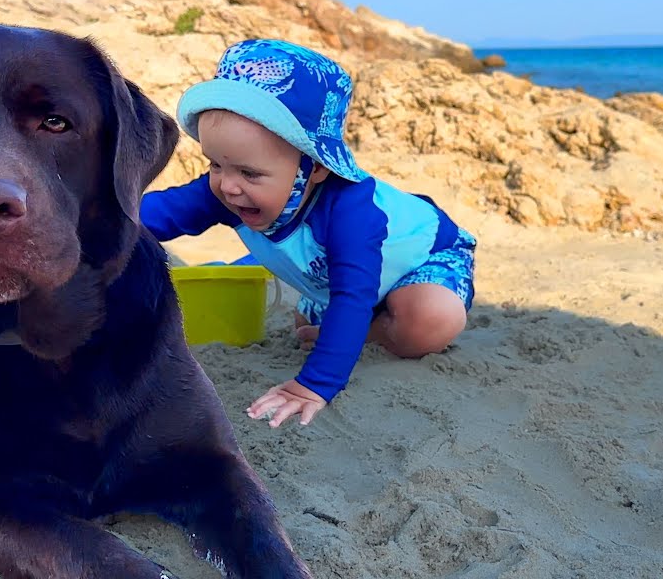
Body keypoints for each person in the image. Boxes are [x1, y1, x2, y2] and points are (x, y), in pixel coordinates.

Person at [140, 39, 477, 428]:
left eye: (249, 173)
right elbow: (146, 218)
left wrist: (313, 386)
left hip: (426, 260)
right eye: (215, 164)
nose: (228, 186)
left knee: (428, 322)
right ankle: (338, 322)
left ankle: (372, 331)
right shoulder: (227, 190)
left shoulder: (351, 211)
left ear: (315, 167)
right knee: (312, 319)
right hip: (334, 280)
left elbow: (353, 294)